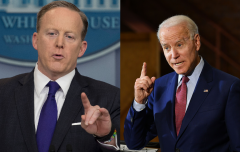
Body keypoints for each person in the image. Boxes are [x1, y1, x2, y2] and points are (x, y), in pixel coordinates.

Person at [0, 1, 119, 152]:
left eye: (69, 36)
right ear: (35, 40)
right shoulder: (2, 93)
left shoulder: (111, 98)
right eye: (52, 33)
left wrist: (105, 136)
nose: (60, 43)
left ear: (81, 49)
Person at [124, 15, 240, 152]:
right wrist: (139, 102)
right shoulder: (159, 86)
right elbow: (134, 142)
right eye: (166, 48)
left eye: (179, 45)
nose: (173, 55)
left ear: (196, 42)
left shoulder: (229, 87)